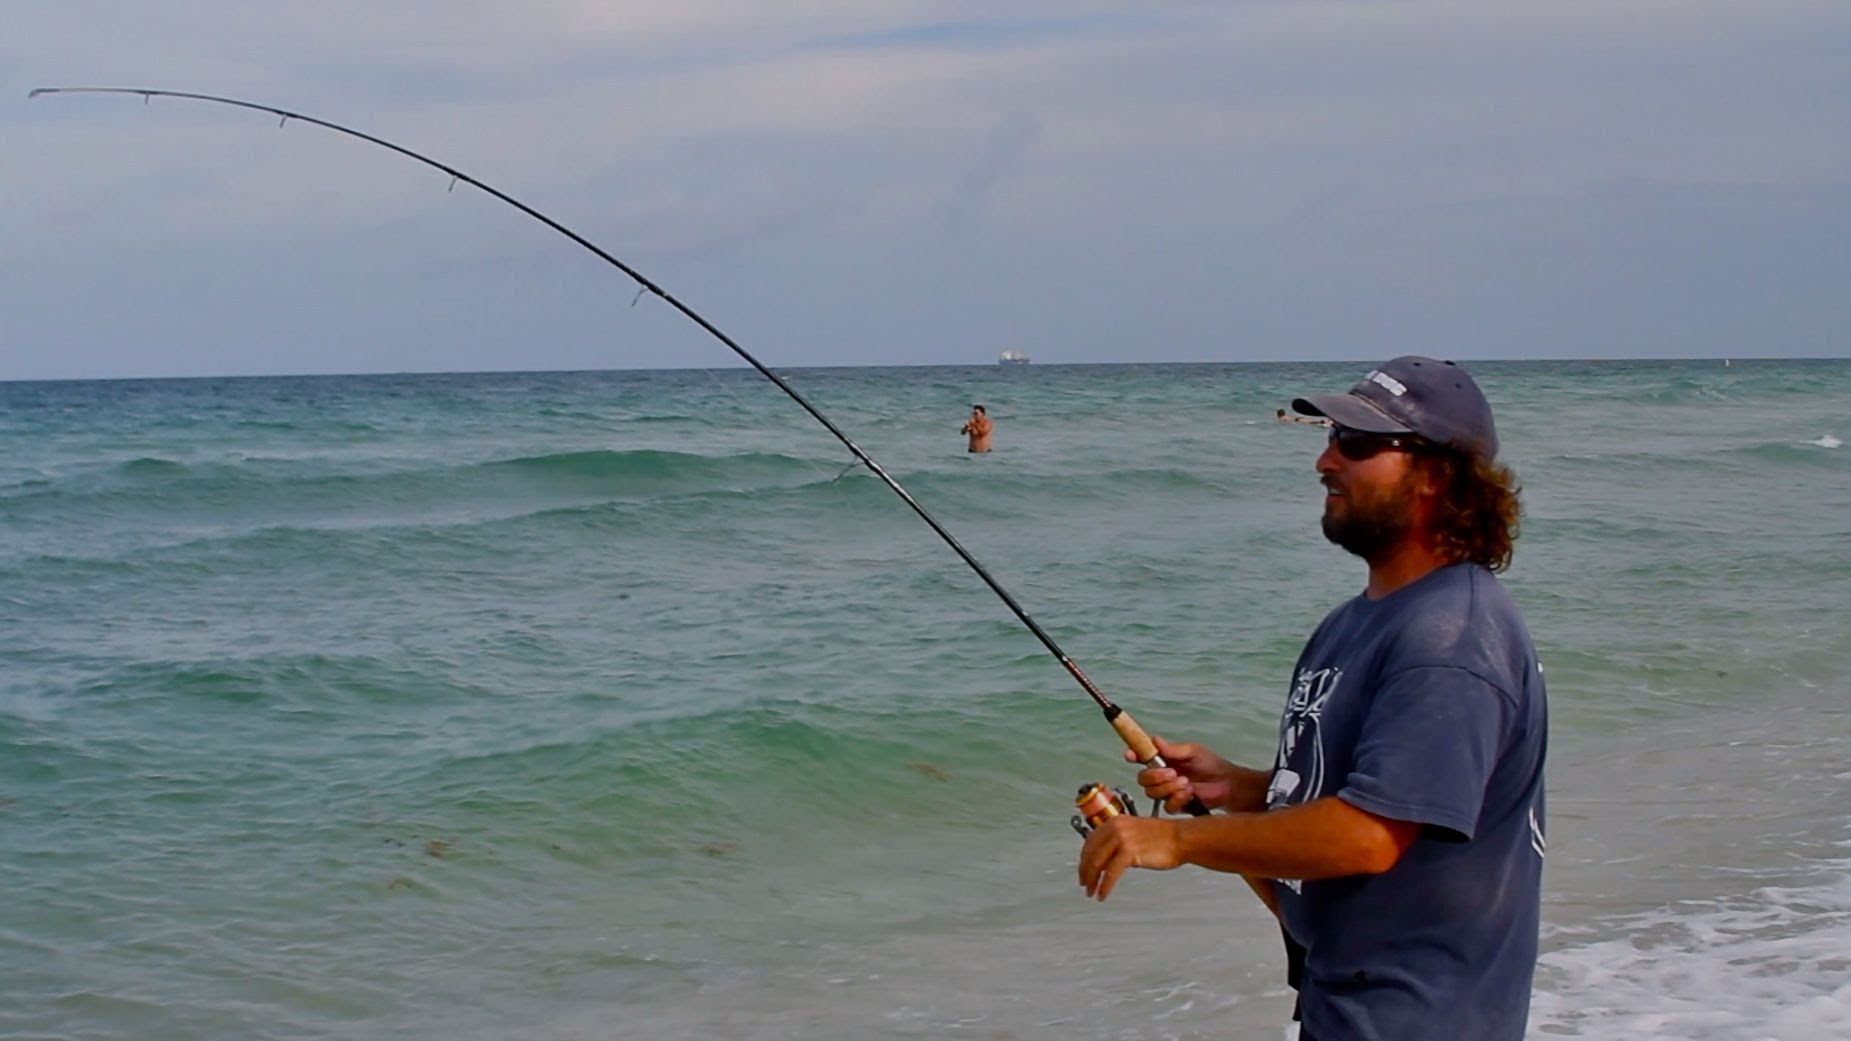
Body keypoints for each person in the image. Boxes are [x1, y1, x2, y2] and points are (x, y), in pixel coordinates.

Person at [1078, 356, 1547, 1041]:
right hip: (1342, 1010)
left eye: (1355, 443)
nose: (1325, 462)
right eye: (1329, 437)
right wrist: (1241, 789)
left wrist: (1177, 838)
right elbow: (1372, 795)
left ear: (1436, 474)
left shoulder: (1453, 635)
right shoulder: (1355, 623)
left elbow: (1370, 833)